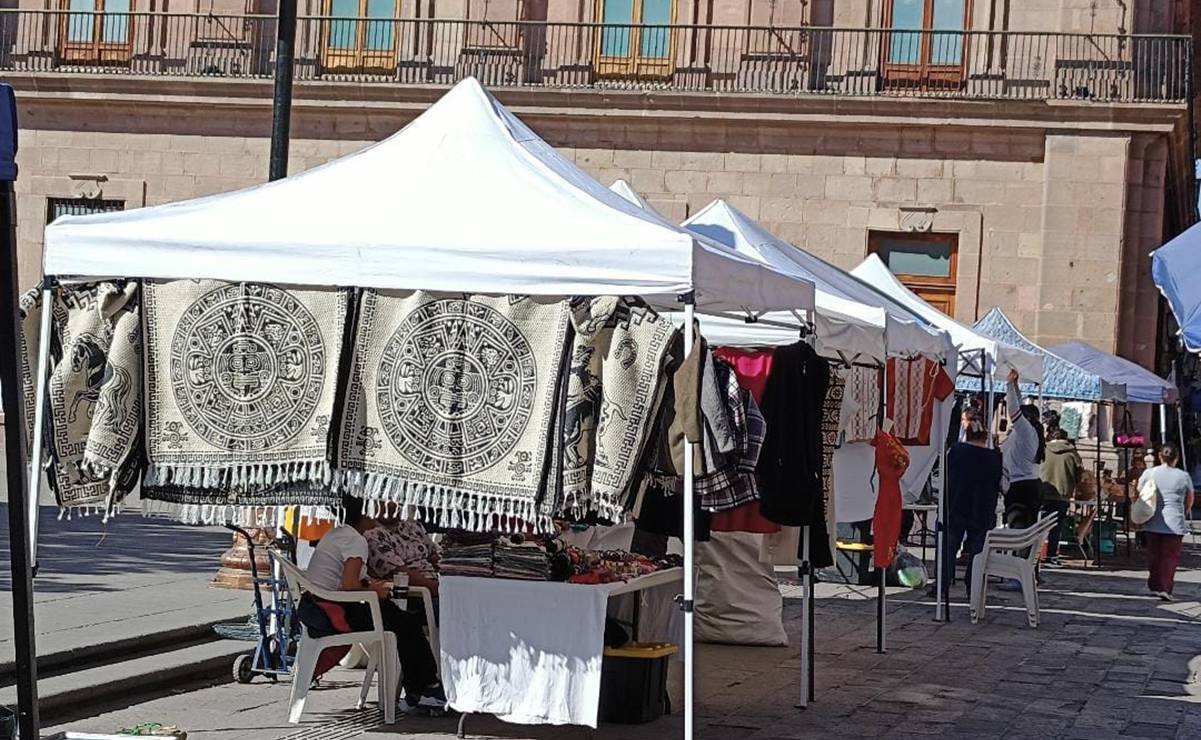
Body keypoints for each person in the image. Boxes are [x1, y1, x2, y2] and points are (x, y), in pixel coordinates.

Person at [303, 495, 445, 712]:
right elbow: (350, 584)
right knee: (405, 624)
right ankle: (424, 688)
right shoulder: (356, 540)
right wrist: (375, 591)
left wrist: (370, 586)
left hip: (319, 605)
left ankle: (421, 687)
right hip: (332, 609)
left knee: (400, 619)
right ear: (365, 513)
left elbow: (349, 578)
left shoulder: (338, 533)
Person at [942, 409, 1004, 604]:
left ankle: (942, 585)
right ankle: (973, 586)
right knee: (977, 553)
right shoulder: (995, 457)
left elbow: (945, 475)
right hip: (982, 509)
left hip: (957, 505)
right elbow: (1003, 484)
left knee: (949, 547)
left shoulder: (956, 451)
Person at [1138, 443, 1194, 602]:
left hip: (1152, 519)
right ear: (1176, 458)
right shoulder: (1183, 476)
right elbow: (1189, 499)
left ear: (1160, 456)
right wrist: (1184, 511)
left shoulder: (1149, 473)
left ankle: (1155, 585)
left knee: (1153, 556)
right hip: (1174, 521)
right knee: (1170, 557)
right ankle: (1165, 587)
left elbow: (1140, 491)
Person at [1001, 368, 1045, 529]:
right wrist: (1015, 386)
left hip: (1021, 488)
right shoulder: (1030, 433)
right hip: (1027, 485)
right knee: (1025, 530)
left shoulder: (1026, 432)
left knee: (1019, 531)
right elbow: (1018, 405)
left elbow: (1014, 409)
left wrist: (1008, 384)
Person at [1040, 429, 1083, 565]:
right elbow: (1079, 474)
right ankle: (1051, 555)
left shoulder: (1043, 449)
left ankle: (1036, 554)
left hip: (1043, 491)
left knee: (1040, 526)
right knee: (1056, 526)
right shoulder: (1072, 453)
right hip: (1062, 494)